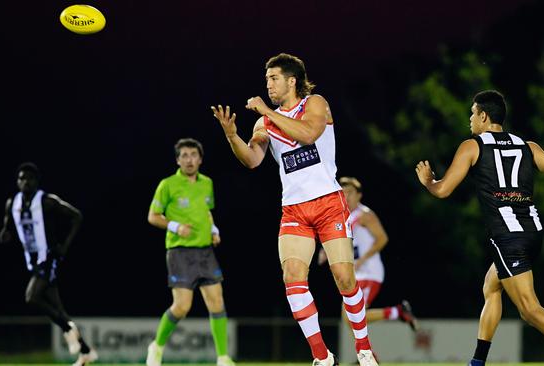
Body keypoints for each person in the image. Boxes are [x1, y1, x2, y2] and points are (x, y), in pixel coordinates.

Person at [212, 53, 378, 366]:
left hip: (329, 202)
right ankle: (322, 357)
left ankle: (364, 350)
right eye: (266, 80)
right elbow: (252, 159)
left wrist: (264, 110)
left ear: (292, 80)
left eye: (274, 78)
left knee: (343, 277)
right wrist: (232, 135)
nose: (268, 85)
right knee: (293, 277)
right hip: (294, 210)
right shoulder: (265, 121)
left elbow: (309, 133)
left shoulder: (315, 103)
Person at [415, 90, 544, 366]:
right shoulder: (528, 146)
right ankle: (477, 362)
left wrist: (429, 181)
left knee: (528, 308)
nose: (470, 119)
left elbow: (443, 191)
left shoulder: (472, 146)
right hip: (533, 233)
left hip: (507, 238)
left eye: (472, 113)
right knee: (492, 286)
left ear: (483, 116)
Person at [145, 138, 235, 366]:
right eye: (184, 155)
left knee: (217, 302)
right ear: (177, 160)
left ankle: (223, 358)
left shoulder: (207, 183)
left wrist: (214, 229)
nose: (189, 159)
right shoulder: (167, 185)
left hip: (205, 251)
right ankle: (157, 346)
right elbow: (153, 216)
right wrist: (176, 226)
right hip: (179, 252)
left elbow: (206, 212)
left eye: (193, 155)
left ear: (200, 159)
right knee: (182, 306)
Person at [0, 162, 97, 366]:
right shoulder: (12, 203)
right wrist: (6, 232)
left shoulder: (46, 201)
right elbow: (8, 223)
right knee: (58, 308)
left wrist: (64, 246)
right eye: (21, 178)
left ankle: (67, 329)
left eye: (29, 179)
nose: (25, 182)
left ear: (36, 182)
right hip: (32, 261)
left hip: (48, 258)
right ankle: (86, 353)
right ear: (17, 182)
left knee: (31, 296)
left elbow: (76, 216)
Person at [318, 176, 419, 332]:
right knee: (349, 318)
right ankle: (368, 353)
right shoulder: (342, 217)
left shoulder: (365, 214)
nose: (346, 196)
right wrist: (325, 251)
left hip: (369, 271)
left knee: (353, 316)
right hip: (356, 273)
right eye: (343, 192)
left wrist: (363, 259)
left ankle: (397, 312)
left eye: (350, 192)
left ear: (359, 195)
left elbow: (382, 238)